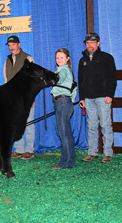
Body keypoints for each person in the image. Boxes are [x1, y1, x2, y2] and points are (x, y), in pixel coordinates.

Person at [78, 33, 117, 163]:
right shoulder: (82, 60)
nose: (89, 45)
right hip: (88, 98)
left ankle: (107, 153)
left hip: (103, 97)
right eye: (87, 43)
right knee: (92, 125)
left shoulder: (107, 58)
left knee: (105, 124)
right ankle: (92, 152)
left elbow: (112, 77)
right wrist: (82, 97)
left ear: (98, 43)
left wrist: (110, 94)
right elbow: (80, 80)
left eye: (92, 42)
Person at [4, 35, 36, 160]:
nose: (11, 47)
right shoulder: (7, 61)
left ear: (19, 44)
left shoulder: (27, 58)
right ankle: (19, 149)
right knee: (16, 124)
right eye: (9, 45)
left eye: (13, 44)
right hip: (12, 98)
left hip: (25, 96)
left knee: (28, 122)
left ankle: (29, 150)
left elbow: (33, 79)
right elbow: (7, 80)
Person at [50, 48, 77, 169]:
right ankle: (68, 161)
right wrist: (71, 100)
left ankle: (65, 163)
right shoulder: (67, 70)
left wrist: (49, 78)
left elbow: (58, 79)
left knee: (64, 134)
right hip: (64, 101)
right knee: (67, 133)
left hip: (62, 102)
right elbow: (74, 87)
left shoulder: (63, 69)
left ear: (67, 58)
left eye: (61, 57)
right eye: (57, 58)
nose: (59, 60)